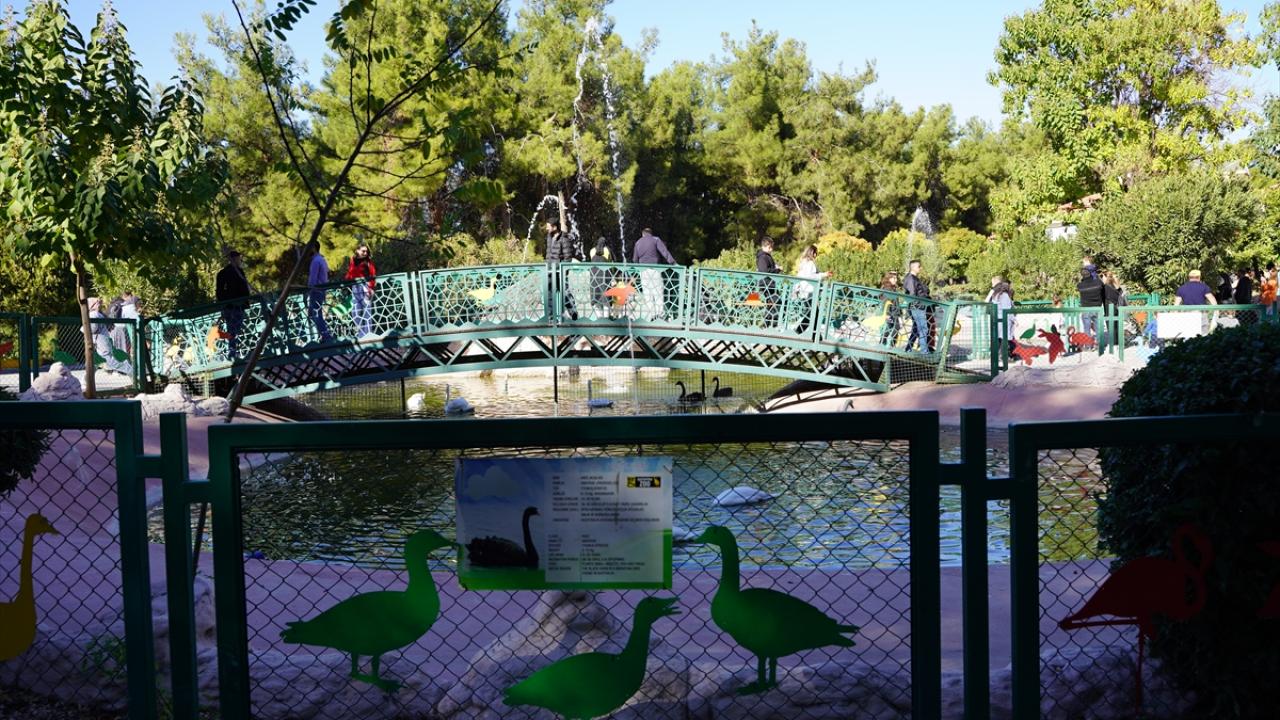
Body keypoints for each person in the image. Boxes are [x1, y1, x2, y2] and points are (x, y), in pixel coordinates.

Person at [632, 227, 675, 321]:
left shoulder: (638, 242)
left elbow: (635, 259)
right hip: (655, 270)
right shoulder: (656, 239)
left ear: (643, 234)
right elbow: (664, 252)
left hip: (643, 272)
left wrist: (638, 269)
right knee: (658, 292)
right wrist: (673, 263)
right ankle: (660, 315)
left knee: (648, 294)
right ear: (651, 233)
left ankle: (652, 316)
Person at [216, 249, 253, 357]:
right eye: (238, 259)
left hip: (229, 306)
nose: (239, 261)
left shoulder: (223, 273)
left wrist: (223, 304)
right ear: (234, 259)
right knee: (235, 329)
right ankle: (234, 352)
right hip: (236, 305)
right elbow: (243, 288)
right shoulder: (236, 272)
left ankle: (233, 351)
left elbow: (219, 292)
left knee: (232, 329)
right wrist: (245, 300)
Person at [545, 220, 582, 320]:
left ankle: (574, 314)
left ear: (555, 227)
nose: (546, 228)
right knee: (549, 294)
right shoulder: (549, 237)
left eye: (548, 226)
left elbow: (568, 258)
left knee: (565, 293)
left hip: (560, 272)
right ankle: (551, 318)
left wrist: (562, 271)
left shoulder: (564, 239)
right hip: (550, 271)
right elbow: (548, 254)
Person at [792, 244, 831, 334]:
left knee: (813, 313)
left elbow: (800, 276)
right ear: (812, 253)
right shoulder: (810, 263)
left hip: (804, 291)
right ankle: (801, 332)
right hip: (808, 291)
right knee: (813, 313)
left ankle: (813, 334)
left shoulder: (803, 263)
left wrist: (796, 289)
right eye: (815, 253)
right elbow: (810, 276)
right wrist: (823, 275)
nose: (816, 255)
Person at [87, 297, 132, 376]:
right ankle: (86, 379)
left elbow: (93, 328)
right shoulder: (98, 314)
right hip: (101, 341)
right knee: (96, 361)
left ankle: (132, 371)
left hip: (100, 342)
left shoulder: (94, 314)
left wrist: (84, 329)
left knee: (109, 361)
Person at [344, 243, 377, 338]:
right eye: (363, 251)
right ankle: (362, 334)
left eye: (366, 251)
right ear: (357, 251)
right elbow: (351, 272)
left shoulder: (368, 262)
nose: (365, 253)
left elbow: (373, 274)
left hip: (365, 286)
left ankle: (368, 334)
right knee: (355, 313)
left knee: (367, 312)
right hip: (355, 287)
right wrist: (346, 281)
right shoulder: (353, 260)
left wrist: (371, 288)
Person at [305, 240, 334, 344]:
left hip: (316, 291)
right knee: (315, 314)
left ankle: (326, 336)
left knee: (315, 314)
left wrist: (308, 292)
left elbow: (313, 280)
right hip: (321, 290)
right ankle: (324, 335)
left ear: (313, 248)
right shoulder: (321, 259)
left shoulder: (315, 261)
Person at [903, 259, 932, 353]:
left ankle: (908, 348)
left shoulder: (913, 278)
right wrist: (916, 304)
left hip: (918, 306)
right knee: (923, 328)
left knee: (916, 329)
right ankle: (924, 351)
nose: (920, 268)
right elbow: (912, 294)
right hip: (917, 307)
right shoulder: (911, 278)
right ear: (913, 267)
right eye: (919, 266)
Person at [985, 275, 1016, 354]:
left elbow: (986, 302)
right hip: (1004, 319)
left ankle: (998, 355)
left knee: (999, 337)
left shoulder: (995, 293)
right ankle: (1005, 355)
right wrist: (1014, 319)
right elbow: (1008, 309)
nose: (992, 285)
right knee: (1004, 338)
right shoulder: (1003, 294)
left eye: (992, 284)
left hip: (996, 318)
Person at [755, 237, 781, 328]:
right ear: (767, 246)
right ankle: (770, 324)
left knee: (773, 303)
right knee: (776, 301)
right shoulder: (762, 257)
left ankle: (767, 324)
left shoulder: (765, 256)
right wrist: (777, 270)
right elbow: (764, 271)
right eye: (770, 247)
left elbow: (767, 269)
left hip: (769, 284)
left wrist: (775, 268)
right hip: (766, 284)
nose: (771, 249)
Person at [589, 236, 616, 314]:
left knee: (595, 296)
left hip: (594, 276)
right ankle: (606, 317)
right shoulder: (607, 250)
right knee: (606, 297)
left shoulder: (592, 250)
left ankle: (599, 316)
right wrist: (613, 275)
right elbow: (613, 263)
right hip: (605, 276)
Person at [1076, 267, 1105, 339]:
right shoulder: (1098, 283)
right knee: (1098, 327)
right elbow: (1103, 290)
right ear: (1090, 274)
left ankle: (1088, 343)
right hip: (1097, 308)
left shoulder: (1080, 285)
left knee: (1087, 328)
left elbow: (1078, 288)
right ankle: (1100, 342)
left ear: (1082, 275)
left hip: (1086, 308)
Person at [1101, 272, 1125, 348]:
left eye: (1102, 276)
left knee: (1111, 325)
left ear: (1105, 277)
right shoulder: (1117, 286)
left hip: (1109, 308)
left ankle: (1114, 343)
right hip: (1118, 307)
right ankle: (1119, 342)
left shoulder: (1105, 287)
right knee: (1117, 324)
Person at [879, 271, 902, 346]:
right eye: (893, 278)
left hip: (893, 312)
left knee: (892, 327)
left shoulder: (892, 288)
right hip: (891, 313)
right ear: (888, 279)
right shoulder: (888, 289)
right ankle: (887, 344)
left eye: (896, 278)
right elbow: (886, 301)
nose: (896, 280)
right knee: (894, 327)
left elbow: (895, 302)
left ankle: (885, 343)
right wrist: (887, 313)